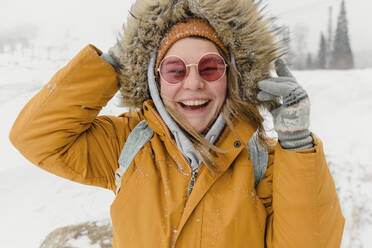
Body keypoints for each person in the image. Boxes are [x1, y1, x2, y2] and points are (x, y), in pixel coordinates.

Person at [9, 0, 344, 247]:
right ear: (156, 80)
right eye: (175, 70)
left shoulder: (266, 163)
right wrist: (113, 62)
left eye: (210, 67)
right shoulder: (128, 142)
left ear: (231, 78)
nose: (194, 83)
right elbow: (35, 137)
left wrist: (296, 144)